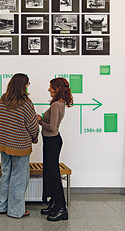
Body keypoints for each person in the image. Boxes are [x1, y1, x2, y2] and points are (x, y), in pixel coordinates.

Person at [0, 73, 39, 218]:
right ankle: (15, 210)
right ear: (23, 86)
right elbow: (33, 125)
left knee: (6, 175)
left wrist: (3, 137)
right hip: (20, 146)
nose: (28, 86)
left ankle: (1, 206)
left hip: (4, 144)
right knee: (19, 178)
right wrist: (34, 137)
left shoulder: (3, 100)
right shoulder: (26, 102)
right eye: (27, 84)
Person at [37, 77, 73, 221]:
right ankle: (54, 203)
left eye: (51, 87)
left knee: (54, 174)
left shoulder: (56, 105)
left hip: (52, 141)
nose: (48, 89)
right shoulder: (59, 103)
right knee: (51, 173)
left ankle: (62, 208)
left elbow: (52, 128)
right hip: (51, 141)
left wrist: (40, 120)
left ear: (57, 88)